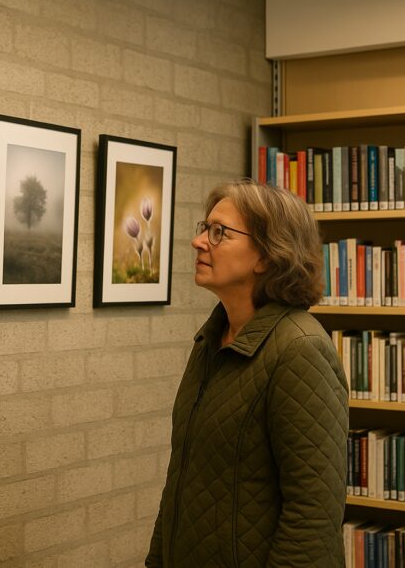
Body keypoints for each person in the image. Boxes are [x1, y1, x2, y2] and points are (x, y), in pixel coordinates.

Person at [145, 180, 349, 567]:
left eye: (219, 232)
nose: (199, 242)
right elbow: (183, 479)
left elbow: (313, 516)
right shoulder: (212, 339)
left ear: (268, 257)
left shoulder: (300, 350)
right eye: (204, 228)